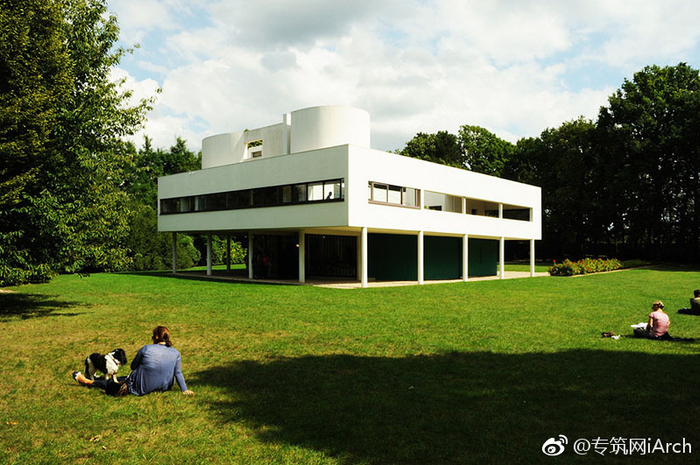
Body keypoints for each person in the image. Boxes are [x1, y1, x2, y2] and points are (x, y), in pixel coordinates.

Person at [73, 326, 195, 397]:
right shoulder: (176, 353)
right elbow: (178, 373)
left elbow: (133, 366)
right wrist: (184, 389)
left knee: (112, 384)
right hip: (163, 386)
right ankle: (99, 379)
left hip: (140, 387)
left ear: (156, 337)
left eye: (153, 337)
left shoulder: (146, 349)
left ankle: (87, 381)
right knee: (121, 378)